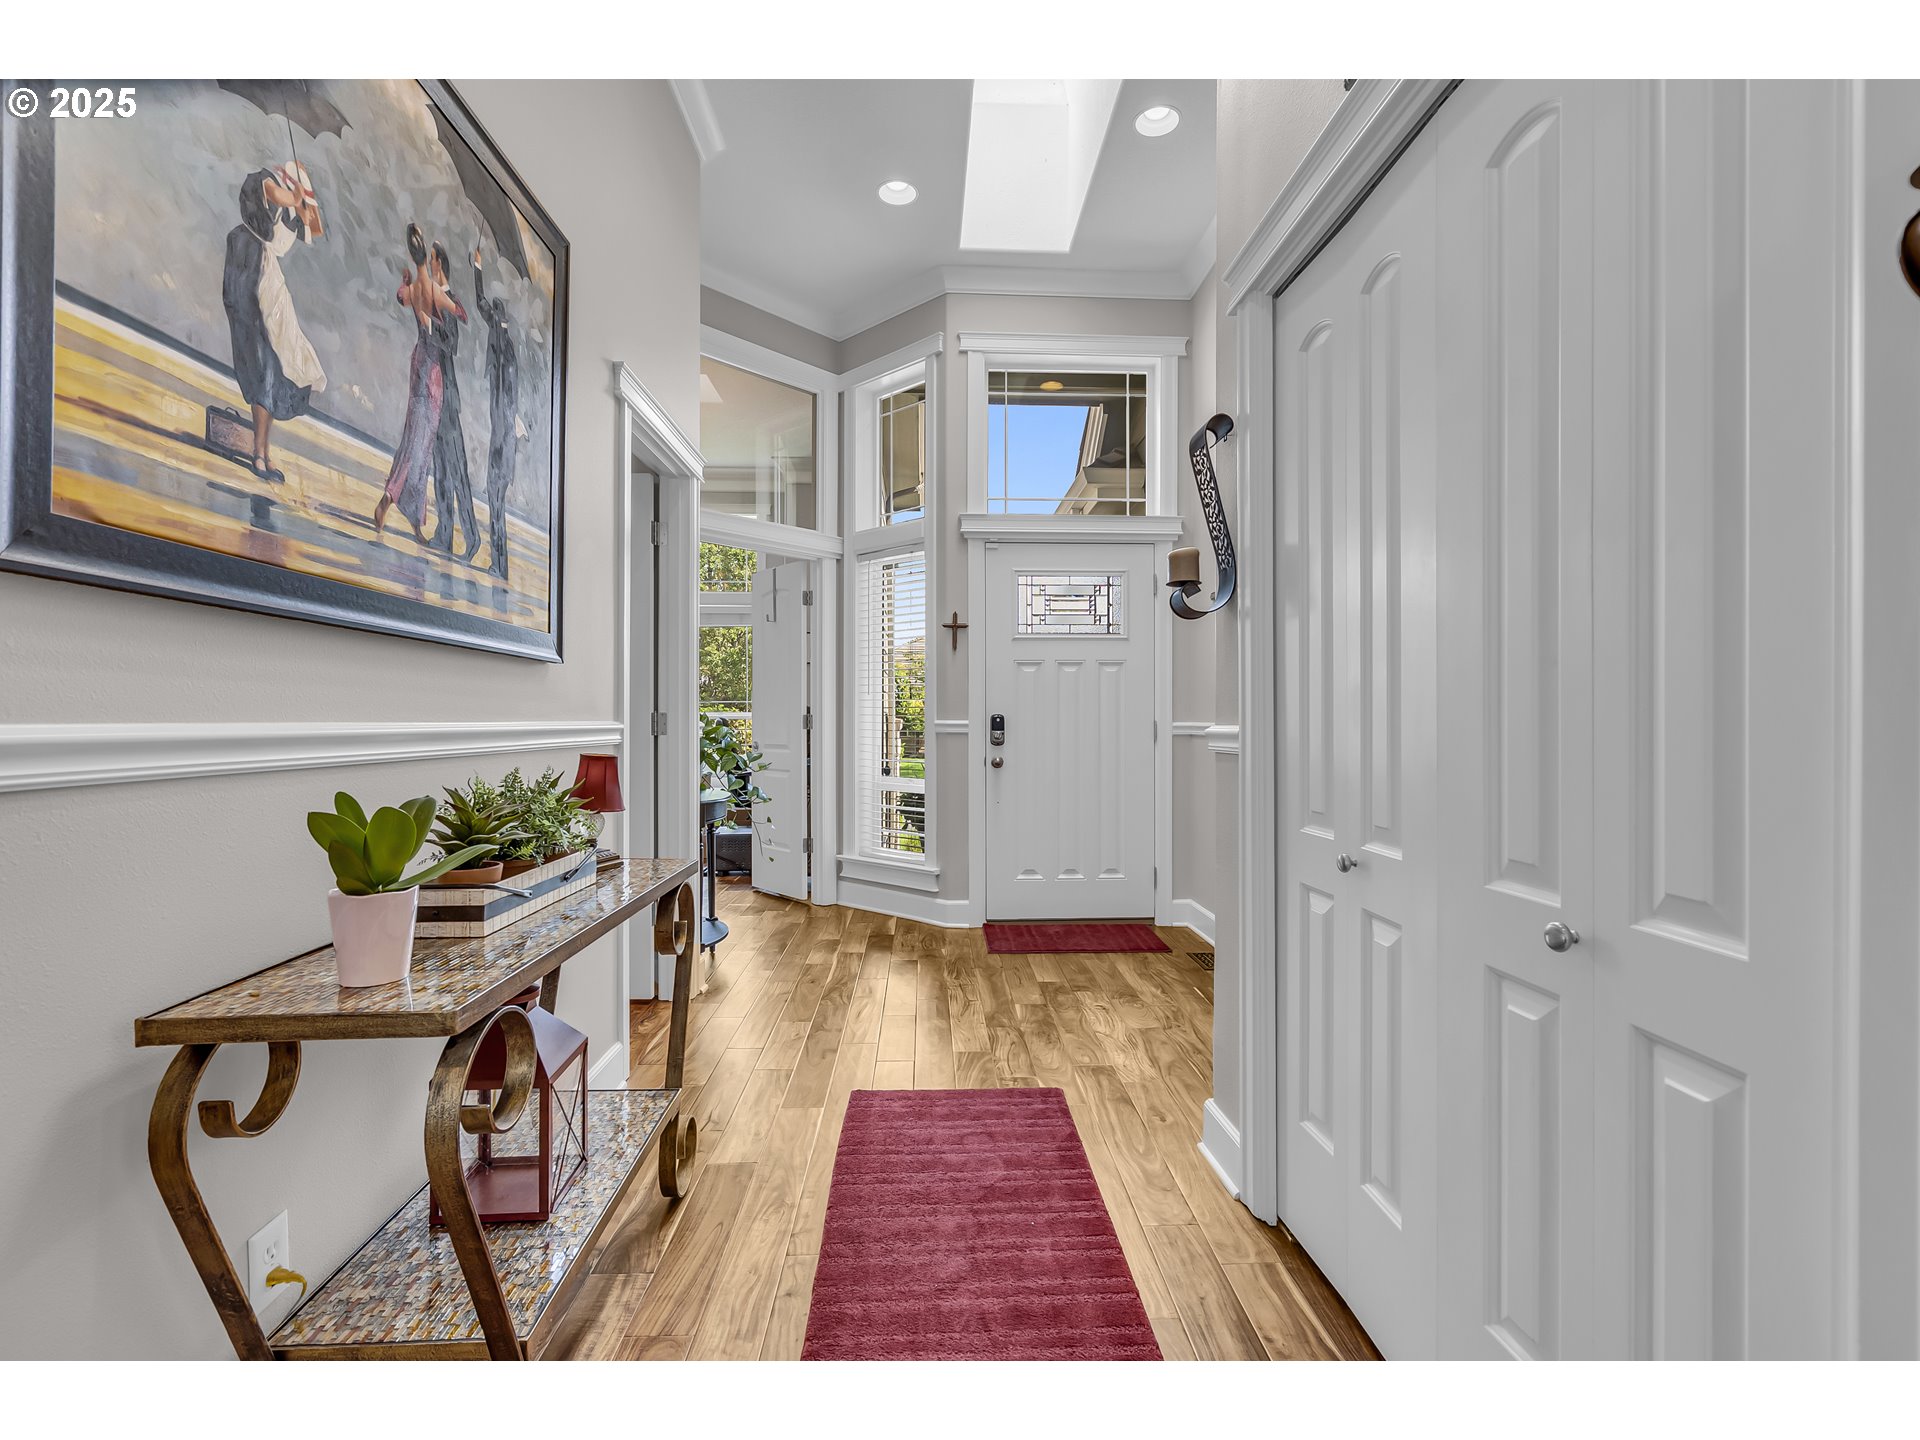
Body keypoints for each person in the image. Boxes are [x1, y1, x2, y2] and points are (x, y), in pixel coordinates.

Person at [220, 161, 326, 481]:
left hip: (266, 280)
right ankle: (259, 453)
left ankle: (262, 452)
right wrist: (295, 195)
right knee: (261, 364)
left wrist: (306, 201)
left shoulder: (292, 212)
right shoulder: (265, 181)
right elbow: (276, 194)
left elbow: (315, 228)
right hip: (248, 270)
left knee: (273, 369)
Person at [374, 223, 465, 541]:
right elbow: (460, 315)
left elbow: (401, 297)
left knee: (412, 439)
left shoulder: (414, 288)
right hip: (432, 373)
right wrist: (442, 310)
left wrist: (405, 284)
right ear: (430, 258)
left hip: (418, 364)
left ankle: (410, 515)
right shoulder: (435, 292)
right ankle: (391, 498)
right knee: (420, 447)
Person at [425, 241, 478, 561]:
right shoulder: (434, 298)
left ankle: (471, 537)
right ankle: (444, 534)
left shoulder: (450, 301)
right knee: (441, 468)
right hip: (435, 395)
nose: (429, 263)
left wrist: (431, 326)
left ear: (440, 264)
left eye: (431, 259)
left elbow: (452, 343)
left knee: (457, 470)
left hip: (449, 397)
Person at [471, 245, 521, 582]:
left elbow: (480, 304)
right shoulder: (506, 351)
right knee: (496, 504)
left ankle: (498, 564)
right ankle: (499, 565)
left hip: (502, 447)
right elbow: (481, 305)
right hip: (503, 444)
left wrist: (477, 268)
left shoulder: (505, 358)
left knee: (496, 501)